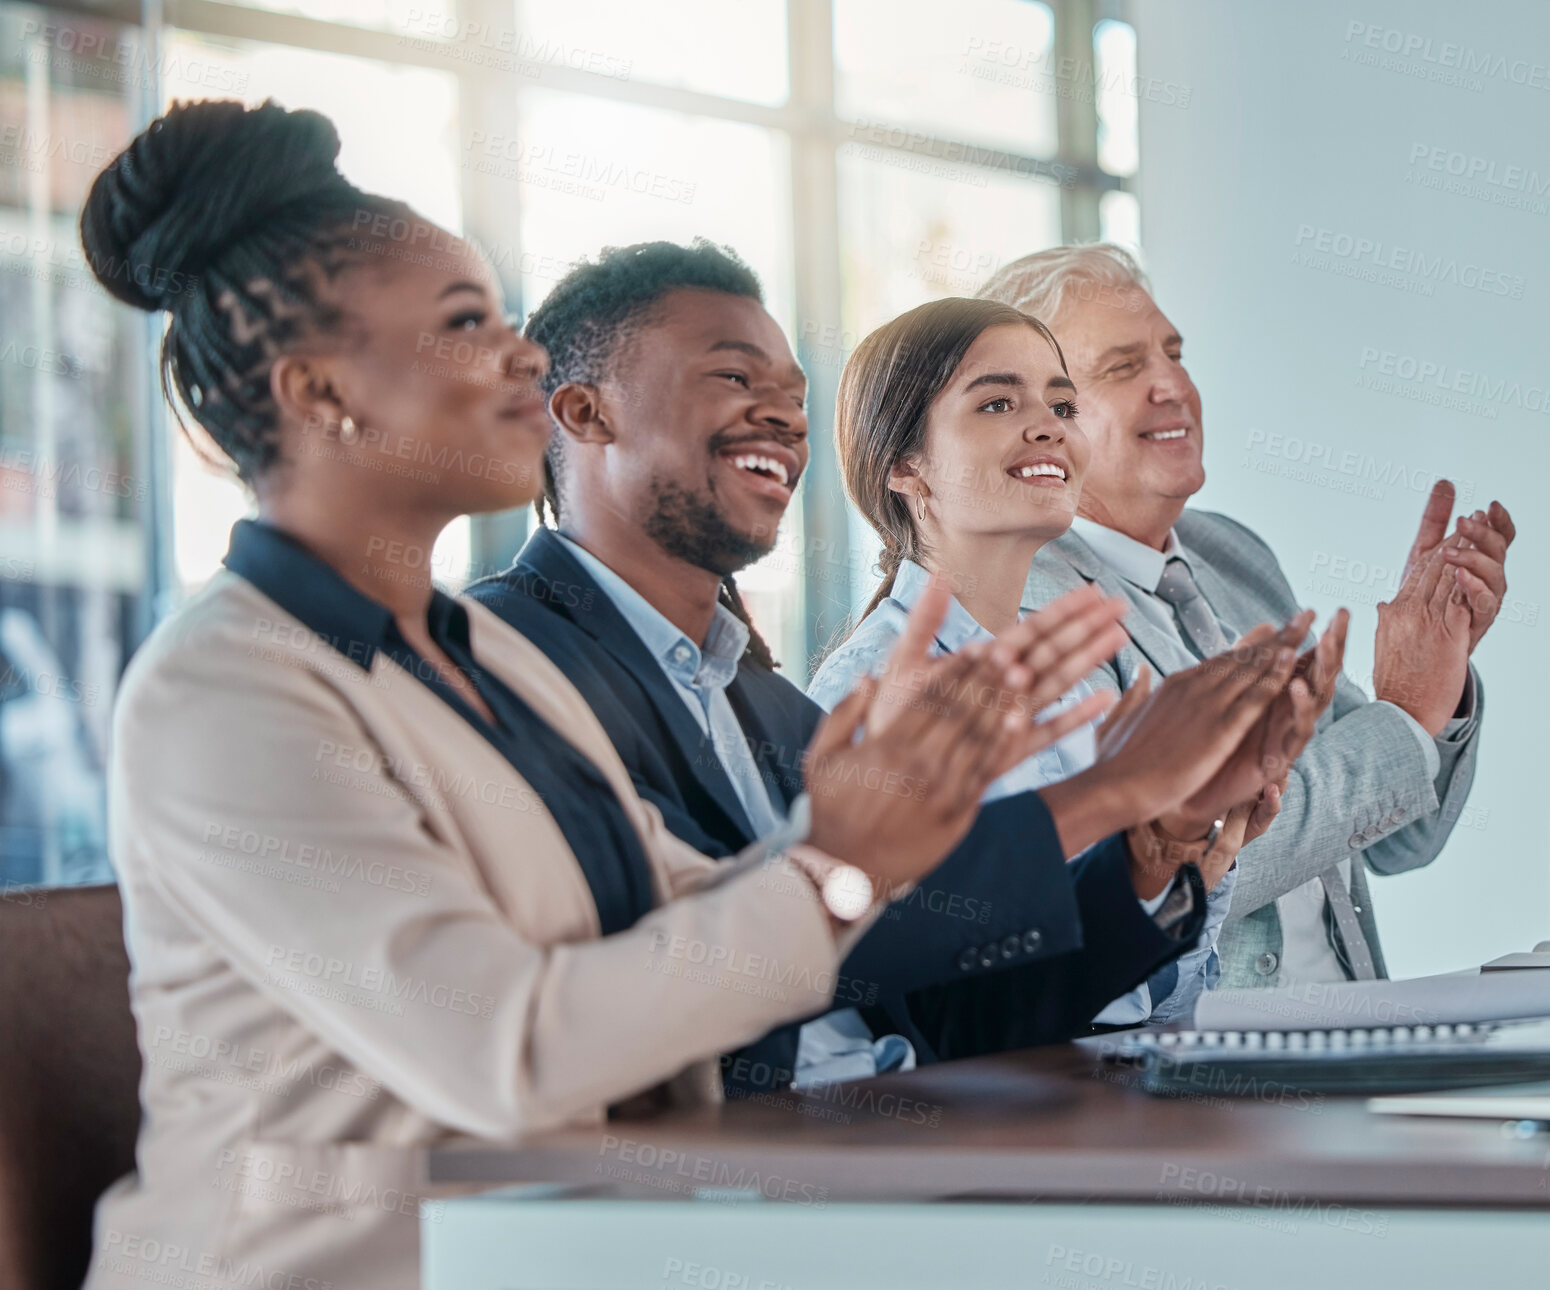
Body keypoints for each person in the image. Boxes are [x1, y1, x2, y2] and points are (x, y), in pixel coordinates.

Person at [79, 101, 1144, 1290]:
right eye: (464, 323)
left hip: (568, 1243)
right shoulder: (224, 694)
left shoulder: (477, 660)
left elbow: (693, 914)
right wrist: (843, 860)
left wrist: (917, 820)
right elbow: (513, 1049)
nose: (526, 358)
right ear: (324, 392)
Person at [468, 241, 1317, 1077]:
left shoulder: (766, 709)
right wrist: (1098, 798)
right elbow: (665, 994)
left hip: (910, 1158)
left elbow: (953, 1010)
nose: (783, 414)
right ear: (585, 414)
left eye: (792, 393)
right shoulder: (497, 663)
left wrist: (1157, 850)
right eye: (733, 377)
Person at [807, 295, 1347, 1023]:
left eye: (1062, 407)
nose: (1047, 428)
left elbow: (1141, 1000)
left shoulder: (1071, 695)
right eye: (997, 404)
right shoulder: (869, 693)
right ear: (904, 464)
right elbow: (923, 1011)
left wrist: (1195, 853)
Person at [984, 244, 1511, 989]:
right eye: (1125, 366)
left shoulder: (1232, 552)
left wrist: (1439, 672)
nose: (1173, 383)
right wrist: (1401, 714)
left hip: (1348, 1053)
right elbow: (1171, 873)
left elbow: (1403, 836)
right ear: (1041, 421)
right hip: (1203, 1083)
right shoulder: (1027, 600)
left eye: (1174, 353)